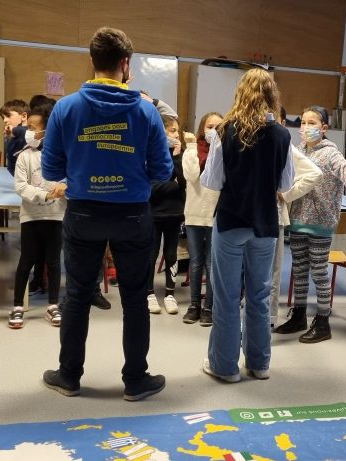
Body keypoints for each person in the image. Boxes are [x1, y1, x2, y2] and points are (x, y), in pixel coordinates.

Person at [40, 27, 172, 401]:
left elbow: (50, 170)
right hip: (133, 215)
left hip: (83, 213)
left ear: (92, 61)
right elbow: (163, 171)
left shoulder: (66, 108)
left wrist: (86, 169)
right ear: (125, 64)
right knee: (135, 298)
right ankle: (135, 379)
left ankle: (69, 376)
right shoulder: (146, 111)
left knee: (77, 296)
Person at [200, 68, 294, 383]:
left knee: (227, 297)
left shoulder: (225, 131)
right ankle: (259, 362)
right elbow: (287, 183)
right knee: (259, 295)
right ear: (271, 95)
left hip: (230, 222)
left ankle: (225, 367)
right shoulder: (282, 135)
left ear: (241, 93)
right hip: (265, 225)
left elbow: (212, 181)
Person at [275, 105, 346, 343]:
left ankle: (323, 322)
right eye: (303, 123)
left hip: (320, 223)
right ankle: (299, 315)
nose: (306, 127)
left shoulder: (331, 154)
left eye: (312, 123)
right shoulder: (297, 151)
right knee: (299, 270)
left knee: (318, 272)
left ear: (324, 128)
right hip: (297, 220)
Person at [11, 100, 65, 329]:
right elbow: (20, 186)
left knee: (53, 262)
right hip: (31, 216)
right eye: (28, 127)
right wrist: (45, 195)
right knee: (26, 261)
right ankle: (17, 307)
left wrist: (65, 187)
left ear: (47, 130)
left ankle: (53, 305)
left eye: (33, 127)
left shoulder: (62, 155)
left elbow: (71, 179)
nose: (29, 132)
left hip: (55, 216)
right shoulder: (25, 156)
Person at [269, 107, 323, 329]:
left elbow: (314, 173)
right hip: (247, 216)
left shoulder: (285, 146)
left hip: (273, 217)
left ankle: (269, 320)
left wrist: (285, 195)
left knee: (271, 274)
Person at [181, 112, 222, 326]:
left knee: (211, 263)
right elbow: (191, 175)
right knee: (196, 262)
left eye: (218, 127)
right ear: (202, 128)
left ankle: (209, 307)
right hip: (194, 213)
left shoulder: (224, 151)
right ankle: (194, 305)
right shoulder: (193, 149)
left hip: (215, 214)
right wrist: (190, 147)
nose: (213, 131)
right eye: (209, 126)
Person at [146, 114, 187, 315]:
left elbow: (184, 183)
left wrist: (177, 157)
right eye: (172, 131)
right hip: (153, 213)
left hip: (174, 213)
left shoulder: (180, 154)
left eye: (177, 131)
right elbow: (149, 188)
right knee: (151, 254)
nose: (176, 135)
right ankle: (149, 293)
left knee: (171, 254)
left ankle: (170, 294)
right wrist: (173, 186)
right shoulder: (150, 154)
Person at [0, 99, 29, 176]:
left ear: (24, 116)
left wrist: (14, 130)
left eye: (8, 116)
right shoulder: (13, 136)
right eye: (3, 117)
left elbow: (26, 133)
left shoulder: (32, 133)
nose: (5, 120)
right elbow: (11, 166)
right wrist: (9, 138)